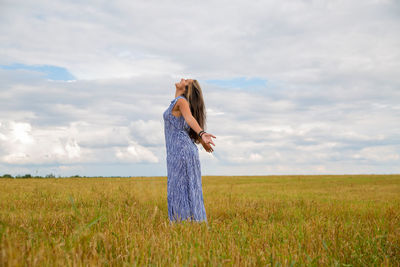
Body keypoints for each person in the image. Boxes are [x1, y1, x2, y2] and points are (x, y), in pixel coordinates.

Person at [163, 78, 216, 224]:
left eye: (186, 81)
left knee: (181, 188)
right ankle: (188, 223)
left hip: (181, 151)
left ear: (187, 89)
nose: (182, 79)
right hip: (179, 152)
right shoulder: (178, 102)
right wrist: (200, 137)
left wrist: (201, 134)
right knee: (183, 187)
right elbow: (187, 121)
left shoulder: (181, 101)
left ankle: (185, 224)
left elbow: (190, 118)